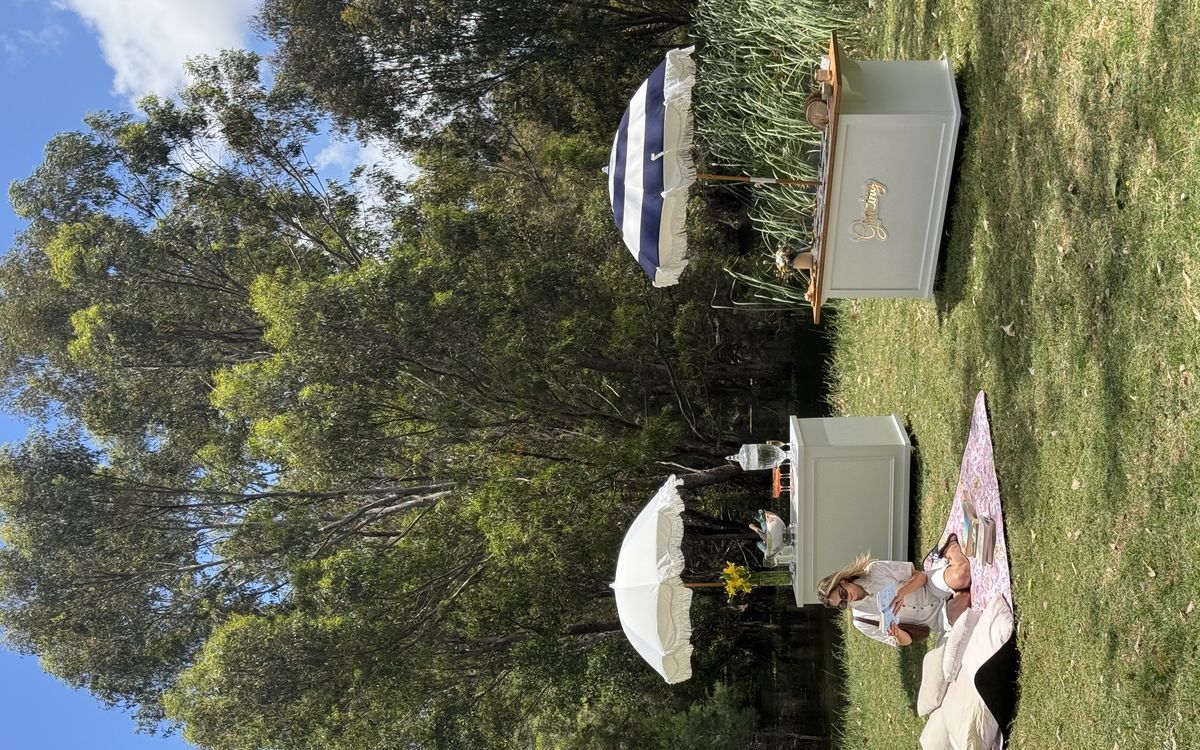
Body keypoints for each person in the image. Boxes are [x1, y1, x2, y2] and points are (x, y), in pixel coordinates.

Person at [816, 534, 972, 647]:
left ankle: (950, 549)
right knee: (966, 608)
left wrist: (902, 592)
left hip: (929, 588)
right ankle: (958, 593)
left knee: (963, 575)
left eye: (843, 594)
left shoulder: (874, 571)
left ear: (842, 581)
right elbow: (906, 642)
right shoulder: (862, 621)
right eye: (842, 604)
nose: (847, 599)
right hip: (934, 617)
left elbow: (920, 577)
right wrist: (897, 633)